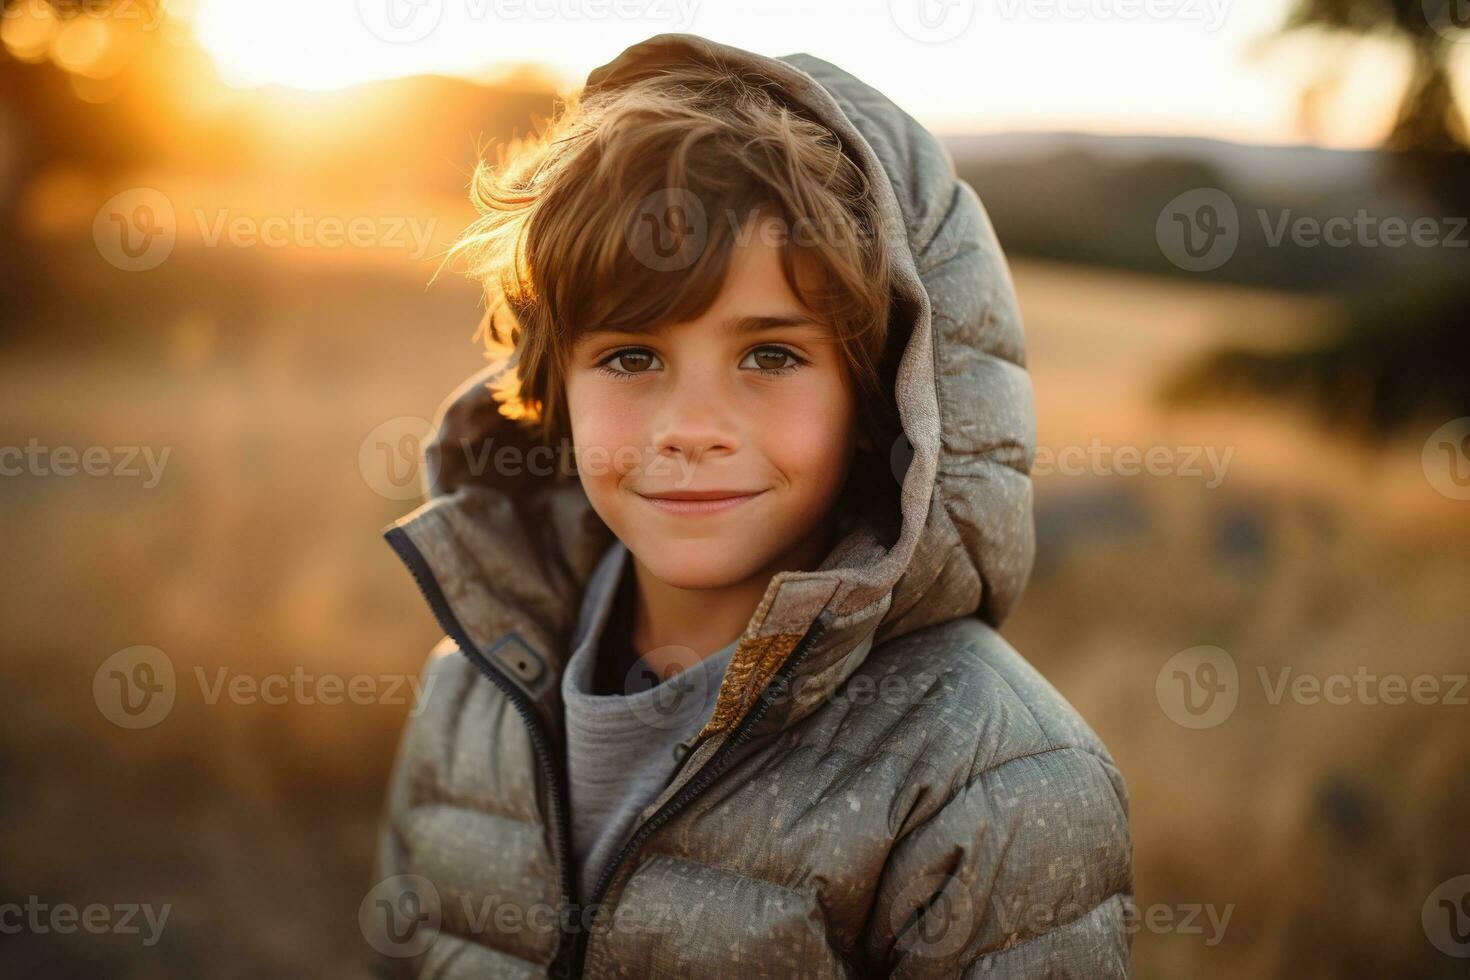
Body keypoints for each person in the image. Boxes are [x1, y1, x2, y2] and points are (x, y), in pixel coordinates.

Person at [374, 32, 1133, 978]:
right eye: (631, 356)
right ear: (553, 385)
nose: (692, 428)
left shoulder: (994, 781)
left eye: (770, 355)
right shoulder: (466, 693)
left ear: (877, 395)